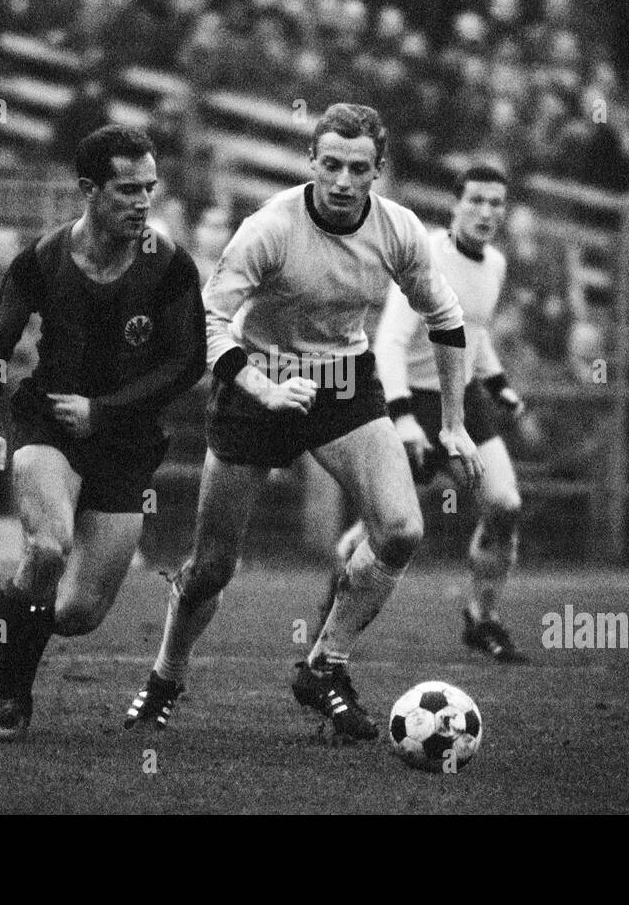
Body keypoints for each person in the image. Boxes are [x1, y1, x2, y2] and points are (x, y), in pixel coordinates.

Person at [122, 104, 483, 742]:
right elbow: (206, 319)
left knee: (400, 531)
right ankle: (164, 679)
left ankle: (324, 664)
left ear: (379, 172)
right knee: (213, 567)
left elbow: (448, 319)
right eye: (333, 165)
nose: (344, 181)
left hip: (343, 384)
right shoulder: (269, 228)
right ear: (311, 163)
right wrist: (259, 386)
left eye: (360, 169)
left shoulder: (398, 229)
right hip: (255, 383)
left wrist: (453, 423)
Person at [0, 124, 206, 741]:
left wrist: (107, 411)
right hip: (50, 423)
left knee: (77, 613)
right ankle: (13, 703)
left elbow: (187, 361)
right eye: (126, 190)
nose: (142, 202)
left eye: (150, 188)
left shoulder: (168, 264)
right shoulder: (43, 258)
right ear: (89, 191)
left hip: (125, 442)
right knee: (47, 547)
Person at [323, 164, 526, 663]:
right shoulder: (427, 257)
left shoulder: (495, 264)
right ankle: (333, 611)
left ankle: (482, 618)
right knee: (384, 528)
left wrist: (499, 385)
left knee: (505, 504)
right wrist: (404, 417)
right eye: (475, 200)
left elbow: (473, 336)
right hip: (408, 397)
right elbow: (388, 342)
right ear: (454, 205)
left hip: (462, 398)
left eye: (496, 203)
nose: (486, 211)